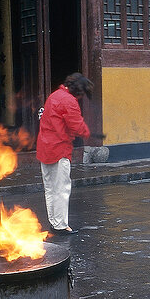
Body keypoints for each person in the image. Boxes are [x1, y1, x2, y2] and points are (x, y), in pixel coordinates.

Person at [36, 73, 93, 233]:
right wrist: (89, 133)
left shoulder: (54, 96)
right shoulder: (69, 101)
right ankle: (61, 225)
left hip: (45, 147)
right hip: (59, 148)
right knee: (61, 188)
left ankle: (54, 222)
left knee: (50, 188)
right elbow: (76, 126)